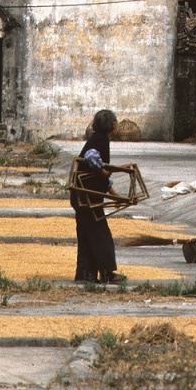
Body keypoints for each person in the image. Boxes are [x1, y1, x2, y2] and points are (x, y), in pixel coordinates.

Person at [70, 108, 125, 284]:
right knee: (100, 234)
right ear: (113, 125)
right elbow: (90, 157)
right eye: (116, 122)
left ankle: (85, 275)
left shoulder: (96, 139)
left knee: (87, 234)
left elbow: (97, 176)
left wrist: (114, 194)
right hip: (87, 197)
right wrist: (103, 170)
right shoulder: (101, 140)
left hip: (82, 195)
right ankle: (107, 273)